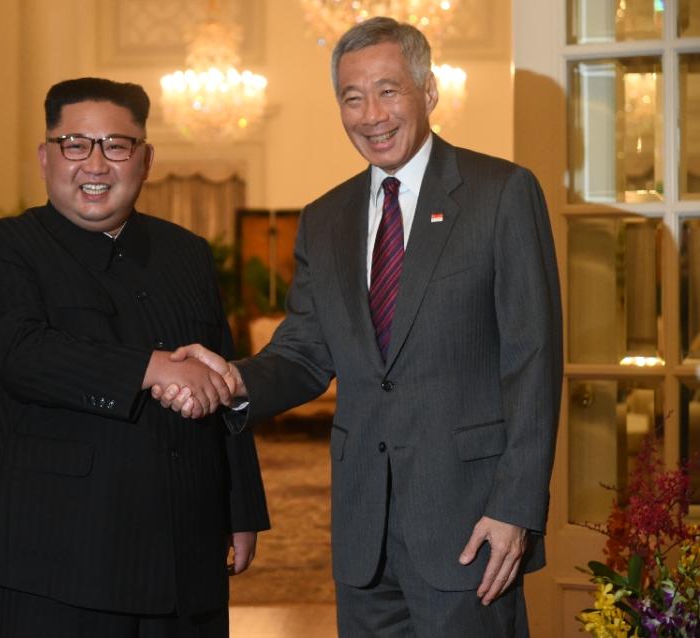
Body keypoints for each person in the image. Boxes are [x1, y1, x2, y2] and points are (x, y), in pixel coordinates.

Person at [157, 17, 562, 637]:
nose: (370, 114)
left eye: (388, 90)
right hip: (362, 534)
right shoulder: (324, 218)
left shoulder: (501, 193)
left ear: (428, 92)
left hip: (471, 524)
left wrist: (517, 506)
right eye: (352, 97)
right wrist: (233, 378)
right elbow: (304, 354)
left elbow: (533, 360)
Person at [0, 77, 269, 638]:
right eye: (75, 144)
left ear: (145, 159)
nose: (95, 164)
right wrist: (154, 368)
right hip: (59, 554)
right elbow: (22, 353)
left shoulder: (187, 253)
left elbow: (223, 383)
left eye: (116, 146)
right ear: (45, 156)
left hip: (186, 550)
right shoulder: (1, 248)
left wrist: (241, 510)